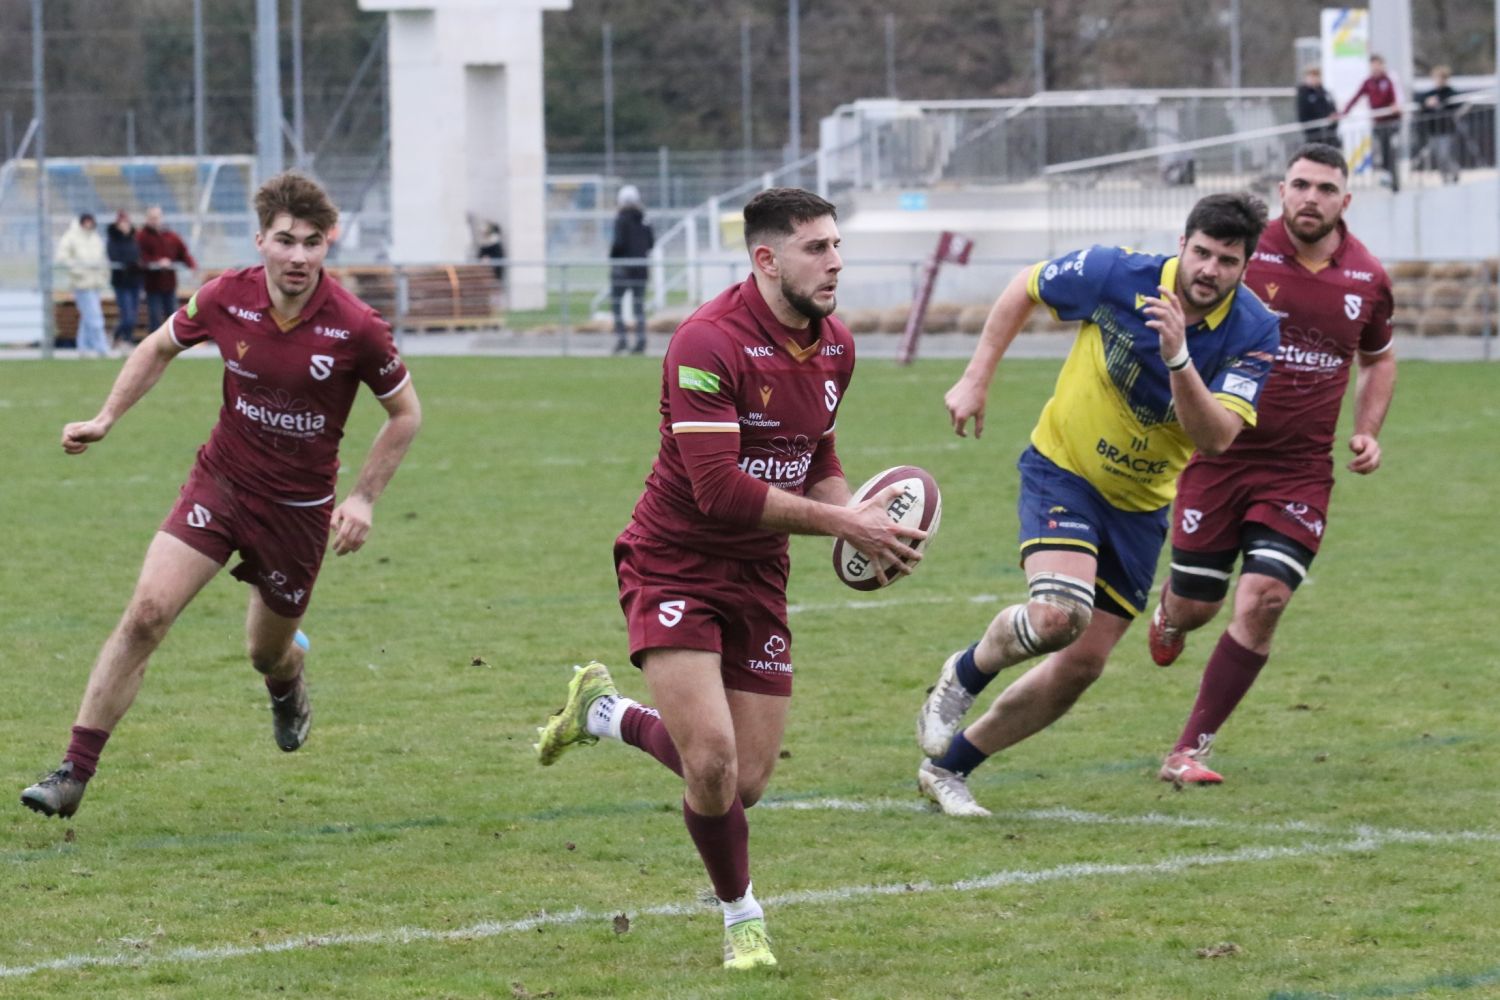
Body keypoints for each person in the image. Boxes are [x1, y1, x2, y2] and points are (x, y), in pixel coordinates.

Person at [534, 188, 924, 969]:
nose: (836, 262)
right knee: (709, 759)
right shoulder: (707, 342)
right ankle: (742, 917)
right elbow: (718, 490)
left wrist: (859, 520)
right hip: (673, 559)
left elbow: (817, 454)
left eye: (837, 245)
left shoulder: (836, 347)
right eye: (817, 248)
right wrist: (844, 526)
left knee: (743, 782)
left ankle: (604, 712)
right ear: (766, 258)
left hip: (760, 571)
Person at [20, 171, 422, 820]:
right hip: (221, 483)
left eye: (312, 242)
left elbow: (405, 414)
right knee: (147, 613)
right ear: (261, 240)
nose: (298, 256)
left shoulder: (357, 327)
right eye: (285, 240)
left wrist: (364, 498)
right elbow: (157, 347)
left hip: (296, 513)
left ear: (328, 243)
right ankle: (73, 771)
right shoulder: (224, 296)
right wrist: (105, 417)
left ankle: (287, 679)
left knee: (266, 652)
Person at [913, 193, 1281, 817]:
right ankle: (964, 674)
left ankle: (949, 768)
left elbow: (1216, 437)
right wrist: (977, 376)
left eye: (1227, 260)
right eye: (1201, 253)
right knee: (1057, 617)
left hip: (1141, 507)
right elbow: (1026, 286)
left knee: (1081, 666)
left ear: (1245, 266)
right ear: (1182, 245)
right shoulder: (1116, 273)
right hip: (1065, 470)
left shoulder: (1254, 330)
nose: (1209, 270)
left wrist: (1179, 358)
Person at [1146, 144, 1396, 785]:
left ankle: (1188, 749)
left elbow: (1378, 359)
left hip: (1299, 471)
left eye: (1326, 189)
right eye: (1301, 185)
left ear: (1346, 200)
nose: (1312, 198)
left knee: (1265, 599)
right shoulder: (1240, 257)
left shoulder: (1367, 277)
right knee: (1198, 606)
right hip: (1218, 456)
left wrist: (1367, 431)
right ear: (1282, 190)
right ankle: (1171, 613)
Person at [1338, 54, 1404, 192]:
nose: (1375, 68)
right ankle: (1386, 175)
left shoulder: (1390, 79)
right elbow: (1356, 97)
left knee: (1391, 149)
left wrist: (1397, 107)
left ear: (1382, 65)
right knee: (1381, 149)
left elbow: (1398, 97)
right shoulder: (1368, 82)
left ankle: (1394, 180)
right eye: (1373, 65)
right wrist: (1344, 112)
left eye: (1378, 65)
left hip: (1392, 122)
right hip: (1378, 122)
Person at [54, 213, 110, 358]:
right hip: (82, 284)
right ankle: (102, 348)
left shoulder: (95, 237)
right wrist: (78, 270)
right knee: (95, 317)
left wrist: (103, 275)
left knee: (87, 318)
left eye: (90, 221)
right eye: (86, 222)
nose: (88, 224)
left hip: (95, 282)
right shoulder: (71, 237)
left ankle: (83, 348)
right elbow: (62, 258)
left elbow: (102, 259)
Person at [136, 205, 197, 333]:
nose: (154, 221)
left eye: (157, 217)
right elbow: (140, 257)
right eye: (152, 218)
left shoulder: (171, 236)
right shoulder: (141, 236)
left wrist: (192, 266)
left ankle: (173, 341)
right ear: (147, 219)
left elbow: (183, 253)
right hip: (152, 285)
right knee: (155, 317)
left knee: (172, 315)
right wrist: (158, 262)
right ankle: (154, 342)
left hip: (169, 284)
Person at [609, 184, 655, 354]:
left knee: (616, 304)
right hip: (641, 268)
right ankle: (641, 340)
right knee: (639, 306)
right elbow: (651, 243)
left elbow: (619, 243)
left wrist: (612, 256)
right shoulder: (644, 218)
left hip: (622, 269)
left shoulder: (621, 219)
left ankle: (622, 339)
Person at [1416, 65, 1463, 184]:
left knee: (1444, 154)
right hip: (1433, 130)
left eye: (1440, 78)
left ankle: (1454, 171)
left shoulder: (1450, 92)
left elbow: (1455, 103)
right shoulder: (1431, 93)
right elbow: (1420, 100)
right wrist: (1427, 103)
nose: (1437, 81)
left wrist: (1440, 102)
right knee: (1438, 156)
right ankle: (1445, 178)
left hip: (1446, 130)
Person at [107, 210, 145, 351]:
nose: (125, 226)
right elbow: (115, 257)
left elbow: (139, 256)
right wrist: (130, 263)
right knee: (127, 316)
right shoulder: (113, 240)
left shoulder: (134, 239)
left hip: (135, 281)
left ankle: (125, 339)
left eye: (127, 223)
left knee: (133, 315)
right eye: (122, 223)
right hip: (121, 282)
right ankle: (118, 336)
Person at [1296, 66, 1339, 147]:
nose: (1314, 79)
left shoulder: (1325, 93)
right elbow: (1303, 114)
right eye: (1311, 76)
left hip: (1329, 135)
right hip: (1313, 136)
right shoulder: (1303, 94)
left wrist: (1332, 119)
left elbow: (1332, 109)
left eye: (1316, 76)